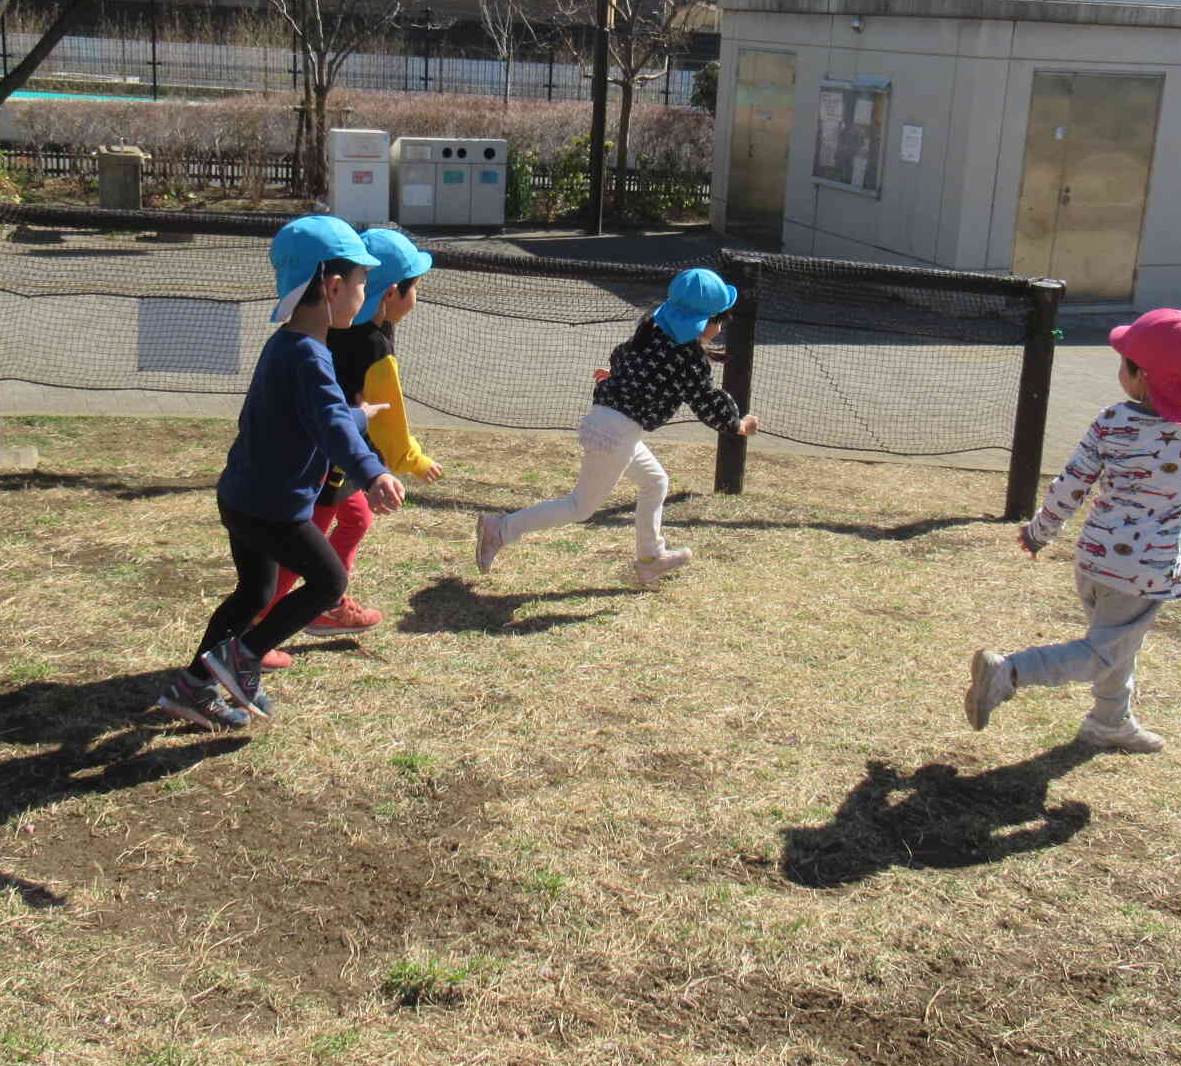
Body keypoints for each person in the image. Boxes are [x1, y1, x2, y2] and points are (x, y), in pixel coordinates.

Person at [963, 309, 1181, 754]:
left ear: (1141, 376)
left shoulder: (1112, 420)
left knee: (1117, 643)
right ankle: (1011, 672)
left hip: (1094, 559)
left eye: (1124, 362)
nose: (1120, 371)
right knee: (1104, 651)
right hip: (1145, 570)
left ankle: (1110, 722)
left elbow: (1071, 483)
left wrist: (1040, 531)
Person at [155, 216, 405, 729]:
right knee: (329, 582)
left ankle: (193, 687)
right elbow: (331, 424)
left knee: (255, 594)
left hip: (241, 497)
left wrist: (361, 416)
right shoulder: (312, 357)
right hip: (273, 507)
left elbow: (319, 416)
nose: (364, 291)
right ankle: (240, 661)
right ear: (333, 287)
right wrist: (374, 471)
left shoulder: (286, 346)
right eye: (361, 281)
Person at [474, 267, 759, 587]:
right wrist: (736, 425)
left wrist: (614, 376)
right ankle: (500, 529)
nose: (720, 327)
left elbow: (622, 356)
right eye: (720, 319)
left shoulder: (652, 331)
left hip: (612, 421)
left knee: (655, 481)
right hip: (616, 430)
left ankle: (650, 559)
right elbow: (707, 400)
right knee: (580, 506)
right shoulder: (689, 359)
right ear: (704, 321)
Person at [248, 227, 443, 667]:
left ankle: (330, 603)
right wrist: (411, 460)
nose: (417, 298)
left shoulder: (330, 325)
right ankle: (258, 629)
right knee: (302, 552)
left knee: (356, 520)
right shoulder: (373, 346)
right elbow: (389, 419)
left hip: (339, 461)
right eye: (415, 289)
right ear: (392, 293)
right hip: (329, 465)